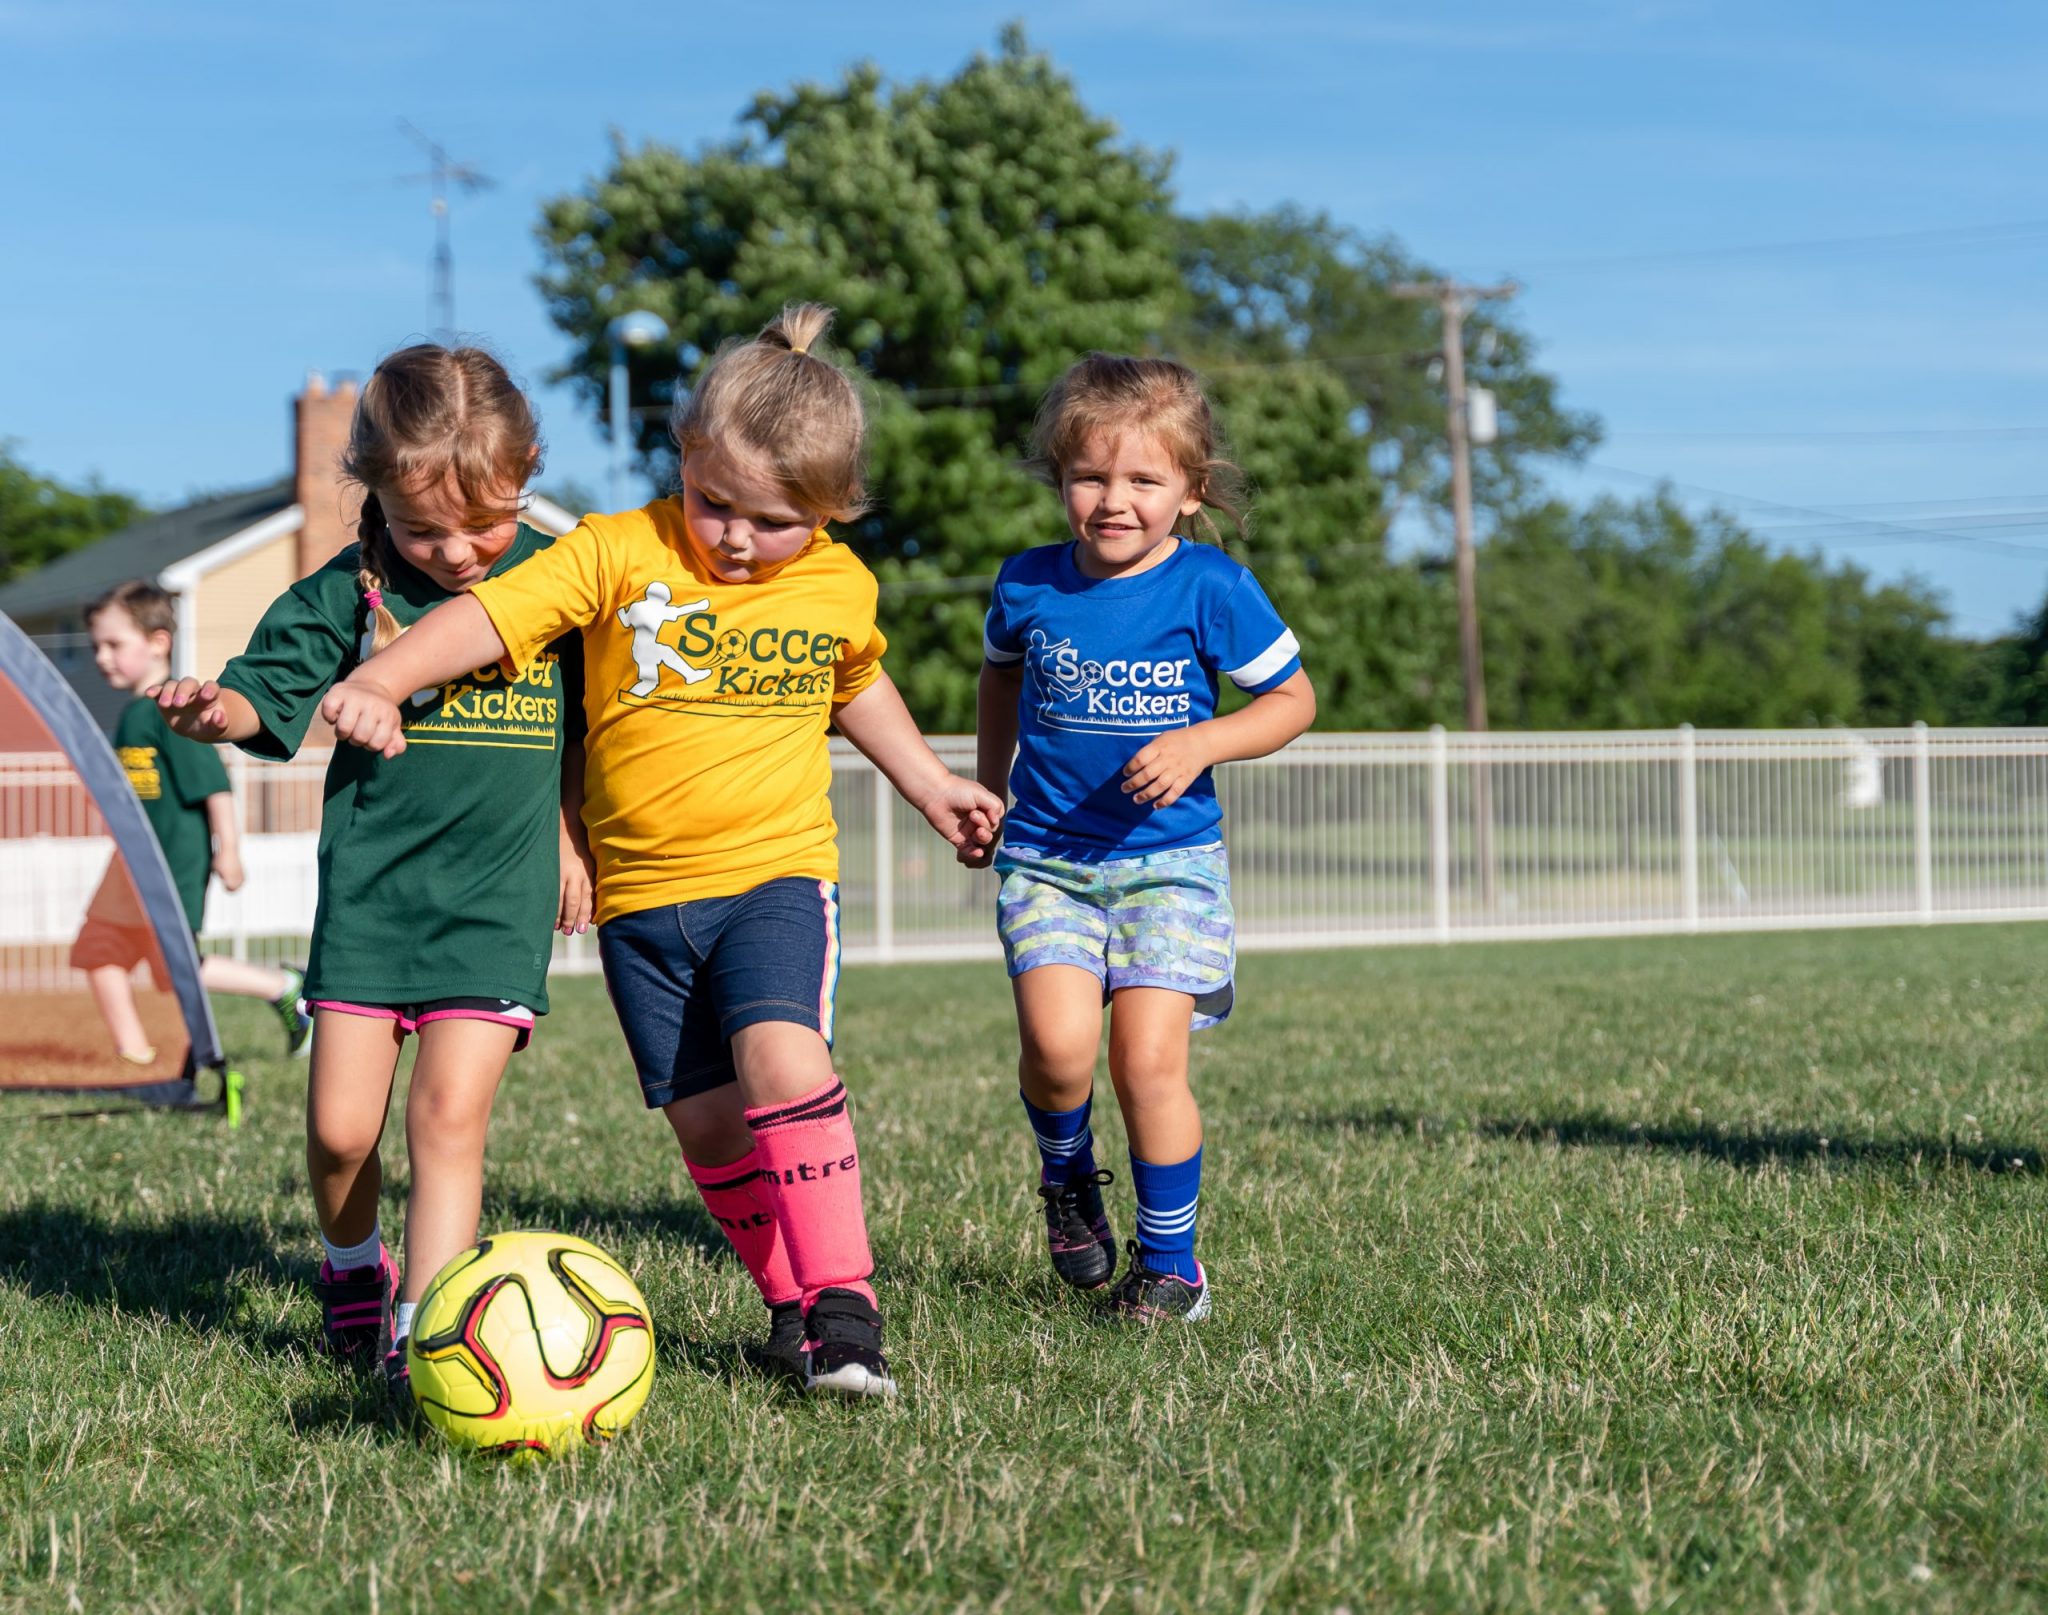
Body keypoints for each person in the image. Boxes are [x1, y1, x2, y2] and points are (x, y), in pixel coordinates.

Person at [317, 305, 1001, 1400]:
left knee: (785, 1056)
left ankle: (845, 1304)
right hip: (643, 905)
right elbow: (490, 619)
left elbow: (856, 682)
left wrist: (929, 784)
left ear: (830, 511)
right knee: (708, 1122)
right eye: (713, 501)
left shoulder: (836, 585)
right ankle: (788, 1310)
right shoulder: (614, 552)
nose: (732, 536)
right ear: (681, 458)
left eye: (770, 520)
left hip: (774, 876)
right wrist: (383, 677)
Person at [151, 345, 589, 1400]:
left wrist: (575, 837)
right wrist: (221, 711)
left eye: (479, 525)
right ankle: (354, 1265)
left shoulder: (564, 581)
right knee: (341, 1133)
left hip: (496, 899)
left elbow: (595, 731)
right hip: (372, 900)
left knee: (445, 1118)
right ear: (374, 498)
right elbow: (265, 696)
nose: (453, 553)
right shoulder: (344, 590)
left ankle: (425, 1339)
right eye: (420, 529)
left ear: (525, 469)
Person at [968, 353, 1316, 1322]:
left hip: (1170, 868)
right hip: (1046, 859)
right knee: (1056, 1048)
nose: (1112, 500)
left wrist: (1204, 739)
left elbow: (1291, 700)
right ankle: (1066, 1173)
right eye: (1088, 476)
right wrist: (988, 789)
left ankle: (1171, 1268)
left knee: (1146, 1064)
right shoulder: (1027, 583)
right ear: (1058, 479)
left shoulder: (1212, 587)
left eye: (1142, 480)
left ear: (1189, 492)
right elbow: (999, 678)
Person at [72, 579, 313, 1066]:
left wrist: (228, 850)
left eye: (114, 644)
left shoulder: (171, 711)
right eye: (96, 646)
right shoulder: (135, 714)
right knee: (102, 950)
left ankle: (285, 988)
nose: (102, 657)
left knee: (167, 965)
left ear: (158, 642)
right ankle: (133, 1056)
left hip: (173, 862)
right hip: (136, 862)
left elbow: (214, 786)